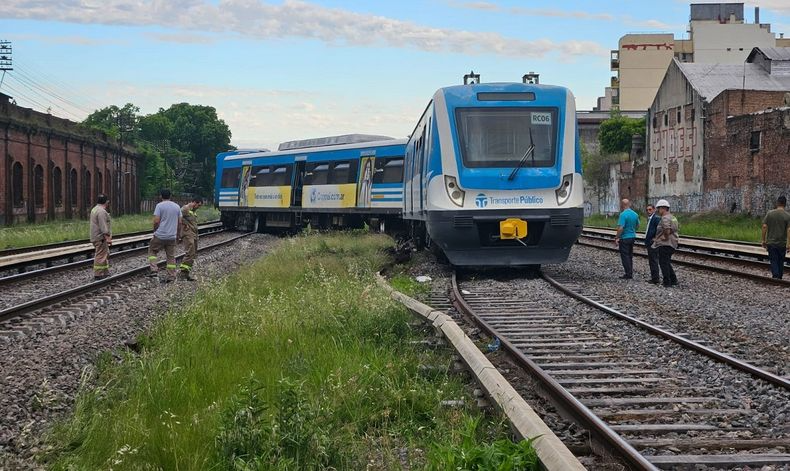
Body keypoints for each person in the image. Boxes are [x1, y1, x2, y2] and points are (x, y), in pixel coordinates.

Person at [147, 189, 182, 283]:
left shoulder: (159, 206)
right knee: (171, 256)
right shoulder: (177, 207)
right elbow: (180, 223)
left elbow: (156, 221)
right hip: (172, 236)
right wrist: (178, 235)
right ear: (170, 196)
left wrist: (155, 230)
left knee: (152, 251)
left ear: (161, 196)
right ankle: (171, 276)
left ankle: (154, 270)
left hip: (160, 235)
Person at [761, 195, 790, 279]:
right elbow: (789, 230)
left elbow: (764, 227)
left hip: (771, 243)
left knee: (773, 260)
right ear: (785, 204)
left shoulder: (770, 213)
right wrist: (788, 244)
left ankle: (775, 276)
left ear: (777, 203)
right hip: (782, 243)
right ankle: (779, 277)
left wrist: (763, 240)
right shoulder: (787, 216)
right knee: (781, 261)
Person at [651, 199, 679, 287]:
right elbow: (674, 228)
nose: (658, 211)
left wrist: (664, 237)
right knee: (666, 262)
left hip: (666, 243)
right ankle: (673, 279)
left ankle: (667, 282)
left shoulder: (664, 218)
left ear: (663, 208)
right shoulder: (673, 217)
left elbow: (666, 229)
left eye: (658, 209)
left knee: (663, 263)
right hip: (673, 242)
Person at [179, 196, 203, 281]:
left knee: (193, 253)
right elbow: (178, 216)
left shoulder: (193, 211)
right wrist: (183, 224)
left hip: (194, 234)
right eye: (198, 205)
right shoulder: (185, 209)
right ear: (194, 202)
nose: (198, 207)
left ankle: (187, 273)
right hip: (187, 234)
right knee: (190, 252)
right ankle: (182, 273)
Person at [615, 198, 639, 279]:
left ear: (622, 205)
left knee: (625, 256)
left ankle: (628, 274)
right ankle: (630, 272)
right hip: (632, 237)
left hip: (624, 238)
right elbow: (637, 225)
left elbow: (621, 228)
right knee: (630, 255)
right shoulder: (635, 214)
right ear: (629, 204)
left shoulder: (623, 215)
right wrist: (632, 230)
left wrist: (617, 237)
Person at [89, 194, 112, 280]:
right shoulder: (102, 211)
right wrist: (108, 238)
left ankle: (105, 272)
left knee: (105, 253)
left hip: (95, 236)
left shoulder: (94, 209)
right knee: (100, 255)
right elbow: (103, 226)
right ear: (106, 202)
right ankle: (98, 274)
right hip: (100, 237)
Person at [644, 204, 661, 284]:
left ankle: (655, 279)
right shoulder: (650, 218)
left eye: (650, 209)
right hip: (650, 242)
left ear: (654, 210)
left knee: (653, 260)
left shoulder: (656, 218)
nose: (648, 211)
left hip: (653, 243)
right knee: (652, 260)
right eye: (647, 210)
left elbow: (660, 229)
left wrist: (655, 238)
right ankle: (654, 277)